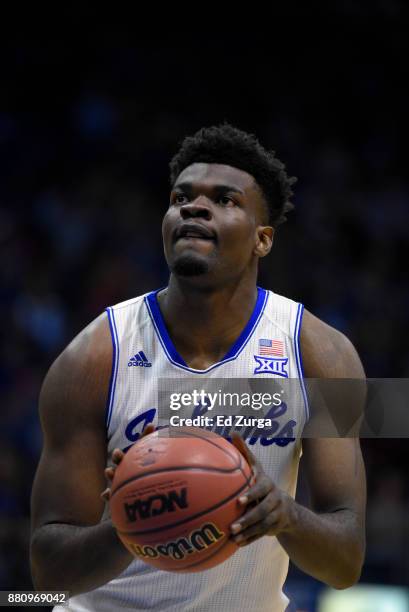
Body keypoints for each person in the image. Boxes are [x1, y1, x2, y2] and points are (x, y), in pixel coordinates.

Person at [30, 124, 366, 611]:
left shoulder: (328, 356)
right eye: (180, 197)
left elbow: (348, 560)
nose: (193, 206)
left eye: (224, 199)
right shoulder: (91, 356)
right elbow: (46, 575)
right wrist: (135, 519)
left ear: (263, 239)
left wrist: (285, 516)